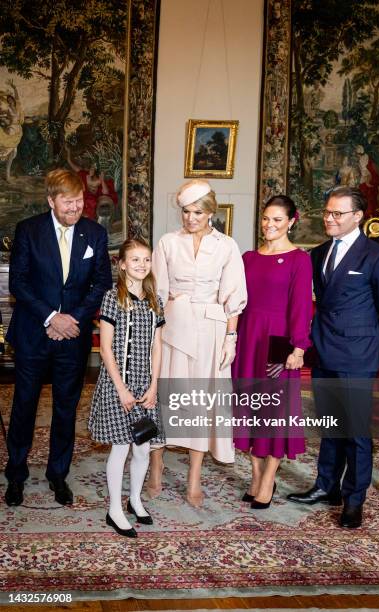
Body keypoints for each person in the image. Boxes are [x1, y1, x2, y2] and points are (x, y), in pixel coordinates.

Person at [287, 186, 379, 528]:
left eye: (337, 213)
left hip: (358, 356)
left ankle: (354, 500)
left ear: (357, 217)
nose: (329, 218)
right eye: (327, 212)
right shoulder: (318, 252)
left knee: (355, 433)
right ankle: (327, 487)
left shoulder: (378, 257)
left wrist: (370, 346)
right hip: (323, 351)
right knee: (330, 428)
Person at [5, 169, 112, 507]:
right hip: (34, 333)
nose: (75, 207)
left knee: (66, 409)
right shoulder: (29, 231)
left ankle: (58, 475)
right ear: (51, 200)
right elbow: (18, 283)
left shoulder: (94, 234)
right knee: (24, 406)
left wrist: (73, 319)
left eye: (79, 201)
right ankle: (16, 475)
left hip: (73, 337)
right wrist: (52, 317)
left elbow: (102, 284)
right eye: (67, 202)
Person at [149, 179, 247, 507]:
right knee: (166, 396)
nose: (191, 218)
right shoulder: (166, 242)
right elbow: (156, 294)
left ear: (210, 213)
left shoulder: (227, 246)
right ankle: (156, 465)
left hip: (212, 329)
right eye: (186, 212)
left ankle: (193, 477)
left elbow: (234, 296)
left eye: (198, 212)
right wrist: (153, 334)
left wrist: (231, 338)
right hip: (174, 325)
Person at [232, 195, 313, 509]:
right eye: (266, 218)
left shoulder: (298, 259)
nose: (269, 224)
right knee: (249, 408)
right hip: (248, 338)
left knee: (275, 412)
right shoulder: (248, 257)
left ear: (292, 221)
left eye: (277, 219)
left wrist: (299, 346)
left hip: (278, 341)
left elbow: (301, 306)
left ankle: (269, 477)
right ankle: (255, 474)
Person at [88, 238, 165, 538]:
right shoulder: (112, 298)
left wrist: (155, 385)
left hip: (145, 385)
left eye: (146, 259)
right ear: (121, 264)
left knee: (143, 448)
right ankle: (114, 509)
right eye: (135, 260)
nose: (142, 265)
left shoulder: (153, 300)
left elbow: (157, 347)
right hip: (118, 383)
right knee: (120, 448)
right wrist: (121, 388)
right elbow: (105, 348)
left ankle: (135, 499)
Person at [66, 146, 118, 220]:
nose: (89, 169)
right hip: (88, 200)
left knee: (92, 204)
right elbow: (71, 163)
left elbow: (105, 192)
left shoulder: (99, 179)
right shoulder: (83, 175)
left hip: (96, 199)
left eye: (92, 168)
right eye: (90, 168)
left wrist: (102, 180)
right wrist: (68, 152)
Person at [355, 145, 379, 218]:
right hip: (365, 181)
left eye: (356, 154)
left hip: (367, 182)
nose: (356, 155)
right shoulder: (363, 159)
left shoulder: (363, 160)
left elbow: (367, 173)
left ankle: (368, 214)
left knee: (368, 198)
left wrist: (367, 182)